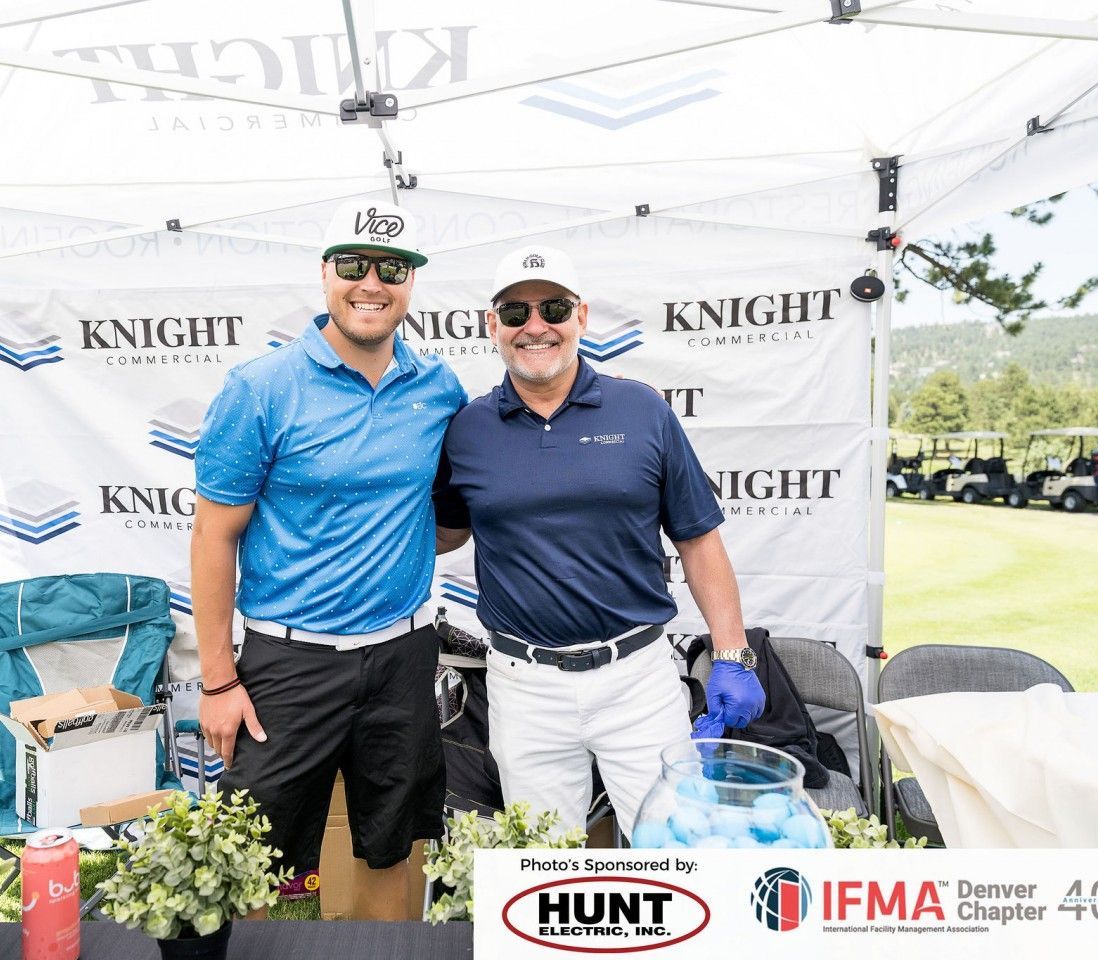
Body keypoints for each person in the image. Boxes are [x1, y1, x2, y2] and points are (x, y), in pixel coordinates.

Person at [191, 199, 466, 919]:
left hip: (404, 656)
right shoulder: (260, 388)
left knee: (391, 845)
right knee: (251, 869)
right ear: (324, 275)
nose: (371, 282)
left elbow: (445, 519)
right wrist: (218, 681)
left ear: (410, 284)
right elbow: (214, 536)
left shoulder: (438, 390)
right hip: (288, 665)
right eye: (352, 265)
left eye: (392, 269)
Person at [432, 245, 764, 838]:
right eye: (515, 313)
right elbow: (444, 533)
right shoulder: (468, 429)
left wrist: (733, 654)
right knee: (544, 864)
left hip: (638, 681)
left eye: (553, 307)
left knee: (667, 855)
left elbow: (699, 540)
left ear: (580, 317)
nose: (535, 326)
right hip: (523, 684)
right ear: (492, 326)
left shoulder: (641, 409)